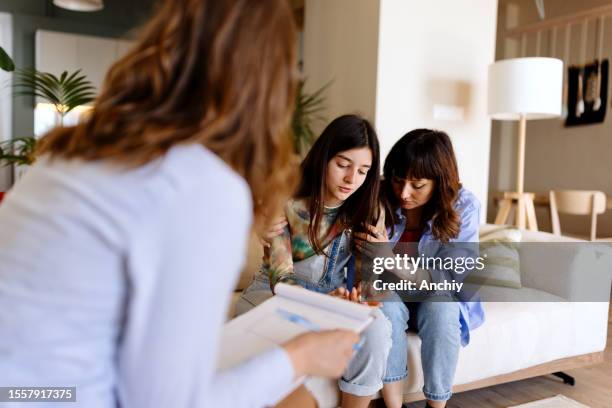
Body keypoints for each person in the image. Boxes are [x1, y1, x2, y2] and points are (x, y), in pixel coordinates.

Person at [0, 1, 359, 407]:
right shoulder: (200, 186)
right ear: (267, 82)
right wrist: (301, 356)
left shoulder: (72, 153)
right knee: (298, 396)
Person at [237, 114, 394, 408]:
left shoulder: (369, 210)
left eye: (363, 170)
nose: (352, 179)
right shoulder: (288, 199)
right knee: (299, 327)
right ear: (323, 158)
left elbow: (374, 293)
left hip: (332, 298)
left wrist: (376, 268)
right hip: (276, 295)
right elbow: (281, 280)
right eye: (343, 165)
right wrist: (323, 305)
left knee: (378, 327)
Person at [353, 129, 485, 408]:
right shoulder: (379, 194)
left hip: (437, 293)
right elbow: (368, 270)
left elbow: (451, 278)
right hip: (390, 291)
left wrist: (389, 258)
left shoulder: (465, 206)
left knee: (442, 308)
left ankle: (436, 406)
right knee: (385, 307)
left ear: (440, 182)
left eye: (417, 185)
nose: (404, 193)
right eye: (398, 180)